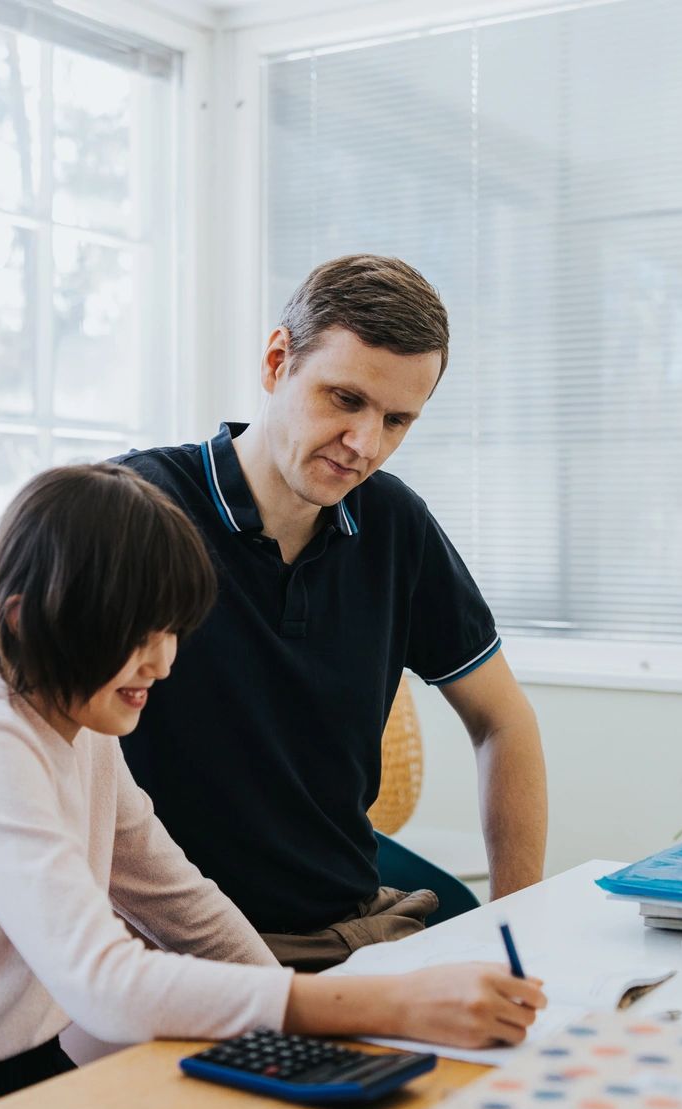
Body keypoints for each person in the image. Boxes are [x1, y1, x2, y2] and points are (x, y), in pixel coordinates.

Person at [0, 463, 546, 1109]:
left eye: (171, 631)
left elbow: (182, 904)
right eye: (137, 636)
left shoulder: (80, 734)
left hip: (26, 1068)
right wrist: (389, 1003)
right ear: (26, 622)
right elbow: (104, 983)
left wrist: (304, 1033)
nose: (164, 661)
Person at [119, 255, 549, 971]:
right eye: (345, 399)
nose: (365, 445)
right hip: (175, 951)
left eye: (397, 420)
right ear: (276, 359)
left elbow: (504, 720)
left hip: (350, 933)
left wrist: (518, 932)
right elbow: (48, 743)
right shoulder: (136, 507)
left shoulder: (395, 526)